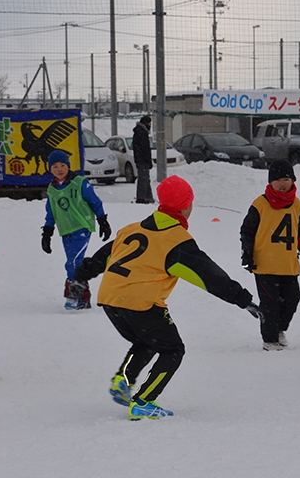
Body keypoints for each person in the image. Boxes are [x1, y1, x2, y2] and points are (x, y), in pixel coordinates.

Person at [73, 175, 262, 420]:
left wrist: (81, 275)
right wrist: (243, 299)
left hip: (110, 299)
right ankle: (143, 401)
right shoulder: (176, 241)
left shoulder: (132, 229)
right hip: (140, 302)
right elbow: (209, 277)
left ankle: (123, 379)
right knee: (173, 348)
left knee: (148, 340)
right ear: (186, 206)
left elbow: (102, 257)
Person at [240, 159, 300, 350]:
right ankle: (270, 339)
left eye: (286, 179)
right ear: (270, 182)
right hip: (265, 265)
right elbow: (247, 231)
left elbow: (298, 234)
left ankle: (279, 329)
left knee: (293, 298)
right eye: (277, 180)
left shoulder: (297, 205)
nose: (282, 184)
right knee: (270, 303)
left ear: (293, 181)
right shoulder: (260, 204)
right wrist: (247, 255)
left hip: (288, 265)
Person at [41, 150, 112, 310]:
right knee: (74, 264)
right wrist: (47, 233)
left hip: (82, 228)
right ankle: (83, 297)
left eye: (62, 165)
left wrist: (103, 221)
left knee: (73, 262)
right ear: (50, 169)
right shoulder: (52, 189)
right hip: (66, 230)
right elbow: (51, 212)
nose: (59, 169)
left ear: (68, 166)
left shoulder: (80, 183)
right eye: (55, 166)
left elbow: (95, 202)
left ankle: (75, 295)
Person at [132, 115, 155, 204]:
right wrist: (148, 161)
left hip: (139, 159)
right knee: (143, 179)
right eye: (149, 123)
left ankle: (149, 197)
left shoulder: (138, 132)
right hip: (142, 160)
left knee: (145, 178)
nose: (150, 125)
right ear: (146, 123)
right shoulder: (142, 133)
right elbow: (145, 149)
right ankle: (142, 198)